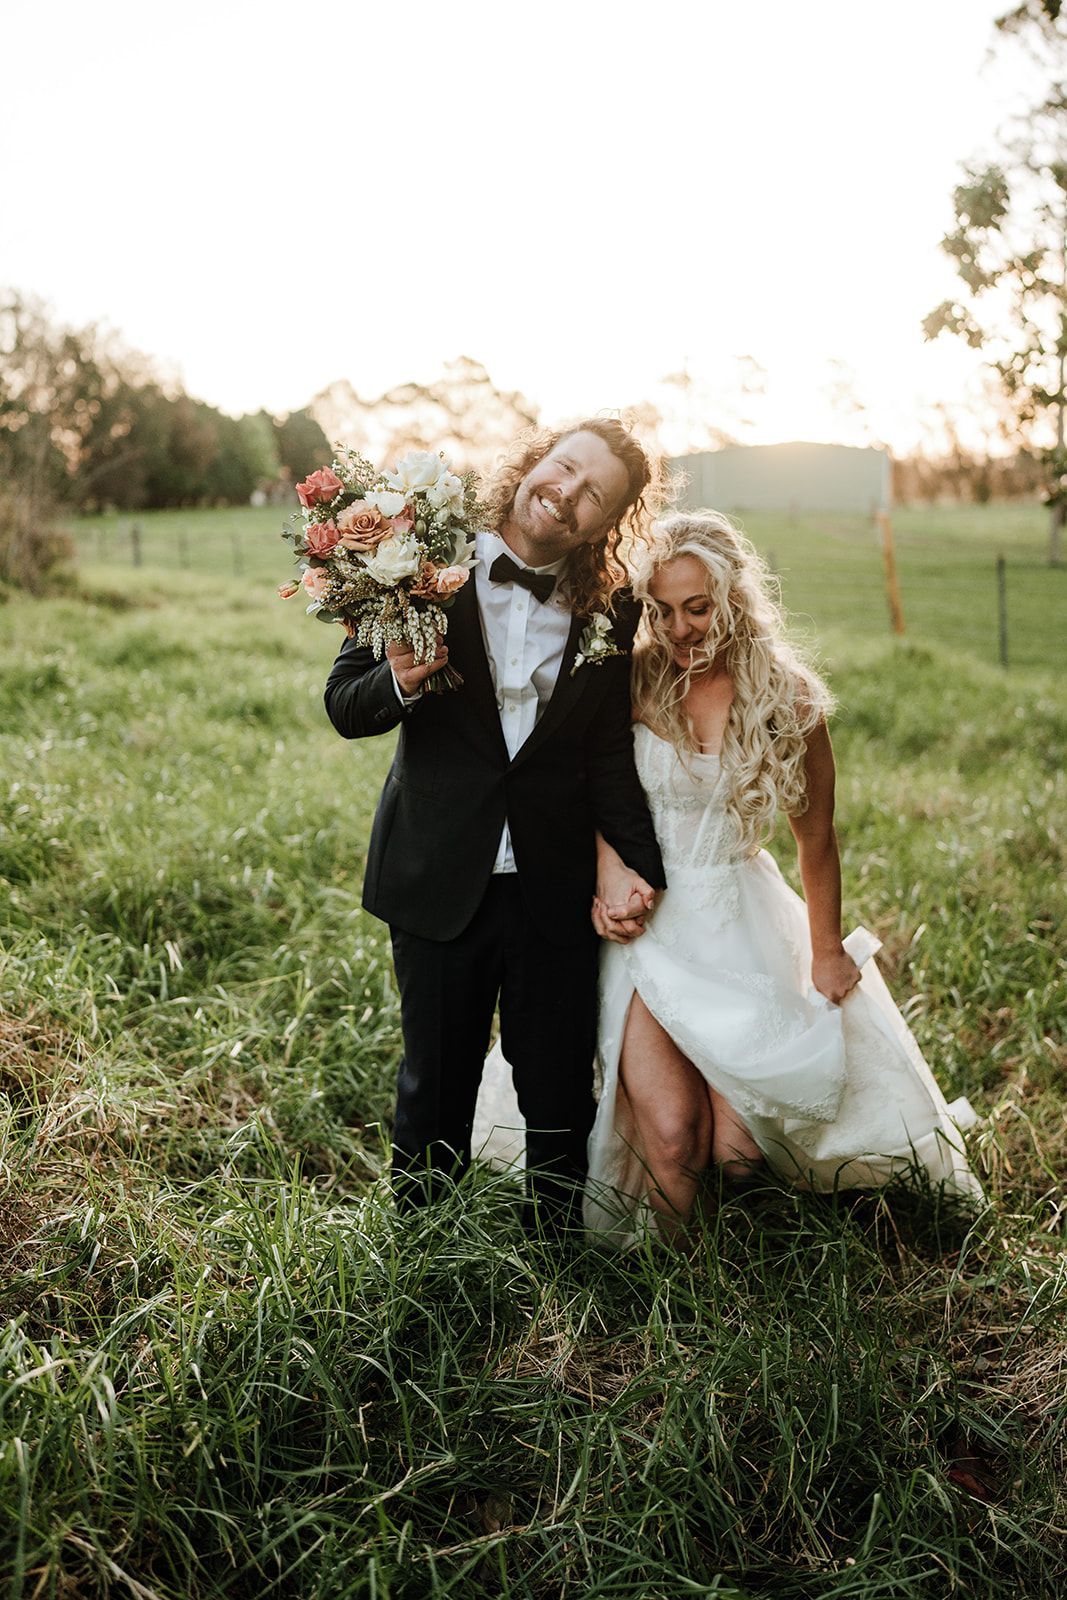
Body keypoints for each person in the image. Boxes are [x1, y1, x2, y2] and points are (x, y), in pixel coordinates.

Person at [475, 510, 981, 1245]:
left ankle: (757, 1255)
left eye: (698, 607)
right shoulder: (628, 683)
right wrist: (607, 869)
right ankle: (678, 1303)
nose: (679, 629)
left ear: (734, 600)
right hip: (644, 923)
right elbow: (568, 789)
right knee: (674, 1135)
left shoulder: (789, 701)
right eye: (662, 610)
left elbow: (816, 840)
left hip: (736, 914)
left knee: (739, 1155)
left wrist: (826, 948)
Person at [324, 418, 667, 1234]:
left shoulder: (608, 611)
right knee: (433, 1081)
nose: (567, 494)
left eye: (595, 496)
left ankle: (556, 1253)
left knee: (554, 1085)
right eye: (564, 467)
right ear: (532, 461)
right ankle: (424, 1253)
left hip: (552, 886)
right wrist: (399, 682)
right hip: (437, 874)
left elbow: (608, 754)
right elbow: (344, 703)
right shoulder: (413, 562)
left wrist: (637, 864)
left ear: (607, 522)